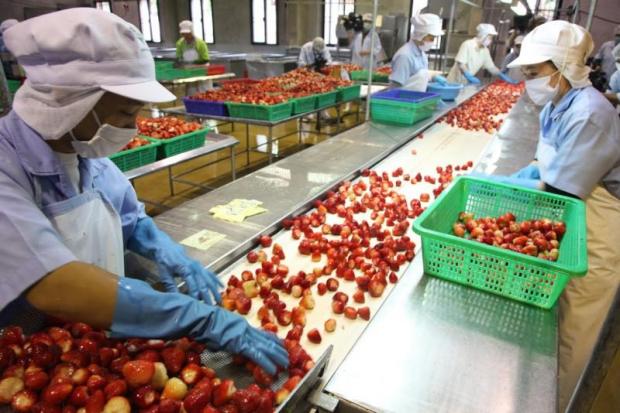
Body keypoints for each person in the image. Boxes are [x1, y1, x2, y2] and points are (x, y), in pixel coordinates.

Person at [0, 8, 288, 376]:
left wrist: (168, 252)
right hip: (27, 360)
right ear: (73, 101)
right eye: (125, 114)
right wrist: (200, 319)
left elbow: (131, 220)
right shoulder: (7, 168)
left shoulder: (85, 150)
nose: (131, 128)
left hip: (95, 347)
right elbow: (52, 284)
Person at [476, 20, 620, 412]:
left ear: (563, 67)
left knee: (579, 333)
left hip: (598, 231)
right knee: (559, 320)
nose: (528, 82)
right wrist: (521, 178)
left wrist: (501, 191)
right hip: (572, 217)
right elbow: (546, 166)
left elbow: (558, 192)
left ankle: (573, 404)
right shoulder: (557, 104)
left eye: (535, 73)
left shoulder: (590, 113)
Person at [389, 13, 448, 91]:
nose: (432, 42)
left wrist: (432, 77)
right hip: (404, 100)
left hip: (417, 99)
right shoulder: (405, 56)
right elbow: (396, 87)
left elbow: (417, 78)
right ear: (421, 35)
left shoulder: (422, 54)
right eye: (431, 39)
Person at [447, 23, 518, 85]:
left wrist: (501, 74)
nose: (490, 40)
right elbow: (461, 64)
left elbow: (491, 67)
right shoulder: (467, 44)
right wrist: (468, 76)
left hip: (466, 82)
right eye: (490, 37)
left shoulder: (485, 51)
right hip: (454, 81)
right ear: (483, 35)